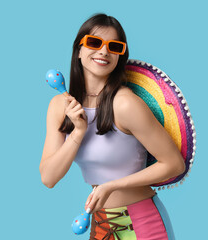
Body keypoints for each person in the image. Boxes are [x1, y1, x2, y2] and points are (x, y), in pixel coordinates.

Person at [39, 13, 185, 240]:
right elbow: (49, 178)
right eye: (94, 43)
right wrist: (78, 132)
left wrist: (111, 186)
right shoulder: (60, 106)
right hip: (101, 223)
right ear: (79, 50)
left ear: (119, 56)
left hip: (143, 223)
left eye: (114, 46)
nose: (104, 51)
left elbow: (174, 164)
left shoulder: (125, 104)